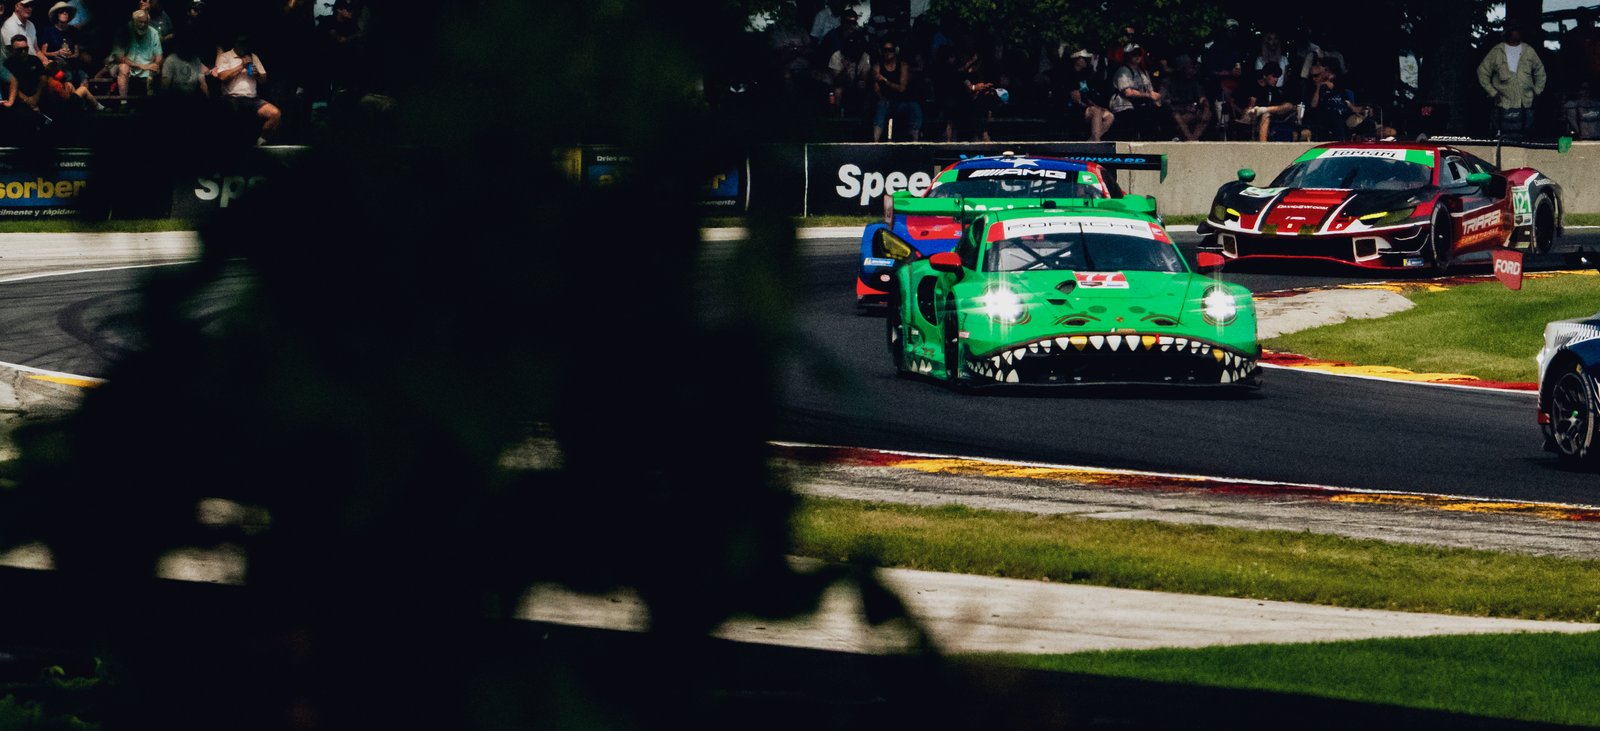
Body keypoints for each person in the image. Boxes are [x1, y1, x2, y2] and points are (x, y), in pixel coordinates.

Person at [1477, 22, 1546, 139]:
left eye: (1518, 29)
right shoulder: (1497, 50)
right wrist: (1492, 92)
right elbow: (1482, 71)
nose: (1517, 32)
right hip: (1503, 102)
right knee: (1503, 135)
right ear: (1507, 32)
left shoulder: (1528, 50)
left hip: (1525, 102)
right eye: (1514, 29)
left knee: (1525, 135)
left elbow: (1540, 71)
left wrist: (1537, 90)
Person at [211, 35, 279, 145]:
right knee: (234, 112)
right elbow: (222, 77)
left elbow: (264, 79)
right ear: (236, 44)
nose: (245, 47)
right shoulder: (225, 56)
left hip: (252, 99)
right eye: (242, 44)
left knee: (275, 114)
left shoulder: (253, 56)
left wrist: (257, 74)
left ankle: (259, 144)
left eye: (247, 44)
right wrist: (242, 66)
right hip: (231, 98)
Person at [870, 39, 920, 141]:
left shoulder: (903, 66)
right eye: (885, 50)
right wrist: (883, 98)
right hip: (885, 101)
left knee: (914, 107)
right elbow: (876, 89)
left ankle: (915, 141)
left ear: (895, 51)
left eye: (891, 50)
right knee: (881, 105)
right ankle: (875, 141)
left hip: (900, 102)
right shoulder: (877, 66)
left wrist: (885, 81)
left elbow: (902, 88)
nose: (888, 53)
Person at [1059, 48, 1113, 141]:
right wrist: (1091, 107)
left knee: (1109, 116)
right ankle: (1096, 141)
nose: (1086, 61)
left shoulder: (1084, 75)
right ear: (1077, 60)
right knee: (1096, 112)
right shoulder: (1070, 75)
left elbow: (1087, 97)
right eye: (1084, 59)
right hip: (1073, 109)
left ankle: (1091, 140)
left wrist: (1097, 106)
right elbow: (1077, 100)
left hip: (1085, 107)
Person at [1109, 45, 1161, 140]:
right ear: (1127, 55)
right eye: (1134, 54)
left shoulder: (1143, 72)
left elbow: (1150, 90)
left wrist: (1156, 98)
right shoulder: (1123, 70)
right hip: (1124, 106)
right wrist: (1149, 95)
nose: (1137, 56)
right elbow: (1128, 92)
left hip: (1141, 105)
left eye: (1139, 54)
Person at [1301, 57, 1360, 141]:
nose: (1314, 78)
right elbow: (1313, 105)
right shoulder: (1313, 88)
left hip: (1344, 116)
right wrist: (1318, 86)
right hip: (1327, 118)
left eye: (1316, 76)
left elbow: (1348, 104)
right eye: (1312, 76)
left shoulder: (1339, 86)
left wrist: (1359, 109)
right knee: (1336, 119)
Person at [1233, 65, 1296, 141]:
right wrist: (1244, 111)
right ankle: (1263, 145)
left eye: (1277, 77)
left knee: (1289, 105)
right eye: (1274, 76)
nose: (1276, 80)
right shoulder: (1250, 85)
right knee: (1265, 115)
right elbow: (1234, 102)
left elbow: (1280, 105)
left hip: (1271, 114)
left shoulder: (1273, 89)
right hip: (1252, 115)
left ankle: (1263, 110)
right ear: (1265, 76)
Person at [112, 8, 162, 99]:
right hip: (127, 67)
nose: (143, 25)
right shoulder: (124, 30)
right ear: (134, 22)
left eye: (145, 22)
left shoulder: (153, 33)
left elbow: (159, 55)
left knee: (157, 67)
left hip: (147, 68)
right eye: (140, 22)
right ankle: (123, 101)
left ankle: (151, 100)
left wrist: (156, 64)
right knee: (123, 68)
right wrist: (141, 66)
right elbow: (119, 57)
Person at [1163, 54, 1211, 141]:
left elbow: (1202, 99)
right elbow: (1166, 103)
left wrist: (1206, 108)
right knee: (1177, 116)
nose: (1191, 71)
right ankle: (1190, 140)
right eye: (1188, 68)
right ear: (1181, 69)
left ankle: (1193, 139)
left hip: (1191, 112)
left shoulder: (1194, 82)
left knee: (1206, 114)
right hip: (1174, 114)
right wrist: (1184, 108)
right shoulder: (1168, 82)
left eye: (1191, 68)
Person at [36, 1, 83, 83]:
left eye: (67, 12)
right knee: (67, 75)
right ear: (56, 15)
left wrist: (70, 56)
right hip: (57, 64)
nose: (65, 13)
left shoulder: (73, 31)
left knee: (83, 76)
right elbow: (44, 52)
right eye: (61, 12)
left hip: (72, 64)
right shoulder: (49, 31)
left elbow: (77, 53)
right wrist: (57, 53)